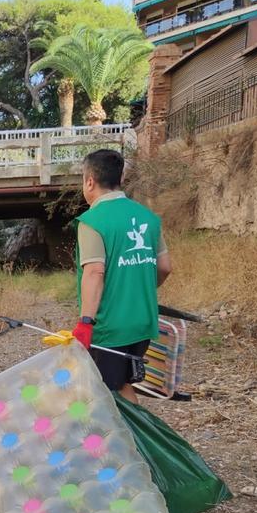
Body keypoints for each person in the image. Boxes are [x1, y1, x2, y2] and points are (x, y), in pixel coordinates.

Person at [71, 148, 173, 403]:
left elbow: (94, 272)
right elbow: (164, 268)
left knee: (104, 393)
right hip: (143, 322)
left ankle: (132, 441)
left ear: (90, 181)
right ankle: (135, 440)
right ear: (120, 179)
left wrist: (85, 323)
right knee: (123, 384)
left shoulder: (93, 220)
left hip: (109, 327)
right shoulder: (148, 218)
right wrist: (141, 290)